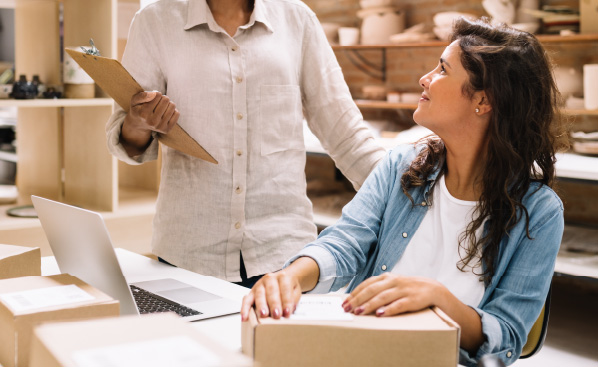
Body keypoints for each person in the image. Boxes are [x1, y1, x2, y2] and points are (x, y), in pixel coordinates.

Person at [241, 17, 568, 366]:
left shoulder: (540, 211)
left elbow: (508, 336)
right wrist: (290, 277)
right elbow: (347, 242)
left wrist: (440, 300)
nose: (424, 79)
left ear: (484, 100)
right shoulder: (402, 164)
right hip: (362, 350)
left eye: (442, 70)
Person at [106, 0, 386, 287]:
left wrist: (409, 190)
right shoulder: (154, 22)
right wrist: (139, 122)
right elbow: (126, 140)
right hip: (188, 255)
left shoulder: (297, 19)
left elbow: (346, 133)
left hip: (284, 257)